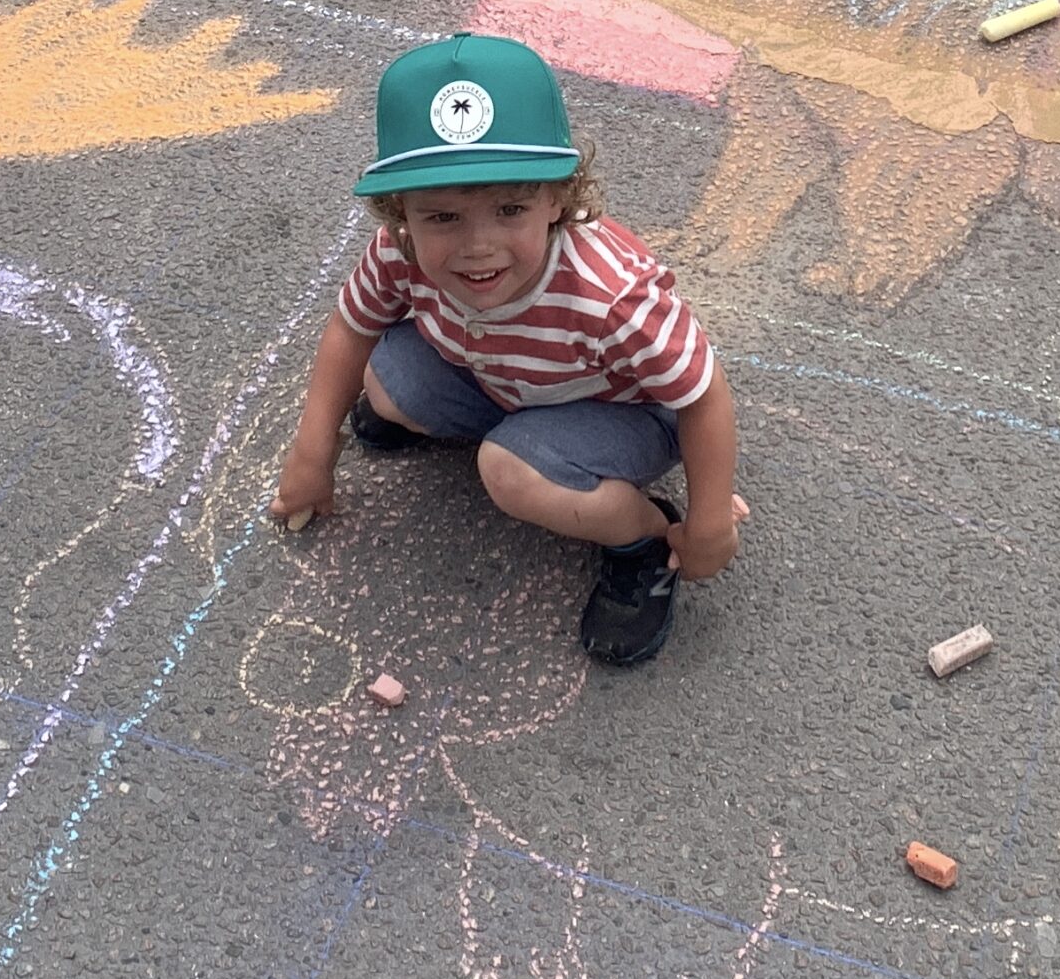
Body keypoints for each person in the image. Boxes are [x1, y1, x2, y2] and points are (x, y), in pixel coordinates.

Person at [270, 34, 746, 666]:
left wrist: (709, 523)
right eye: (442, 217)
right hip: (503, 377)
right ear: (400, 212)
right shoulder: (398, 251)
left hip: (622, 411)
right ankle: (522, 442)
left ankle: (644, 539)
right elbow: (352, 327)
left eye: (510, 209)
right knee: (385, 382)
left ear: (557, 198)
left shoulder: (609, 295)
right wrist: (312, 450)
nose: (478, 246)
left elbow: (703, 395)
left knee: (507, 471)